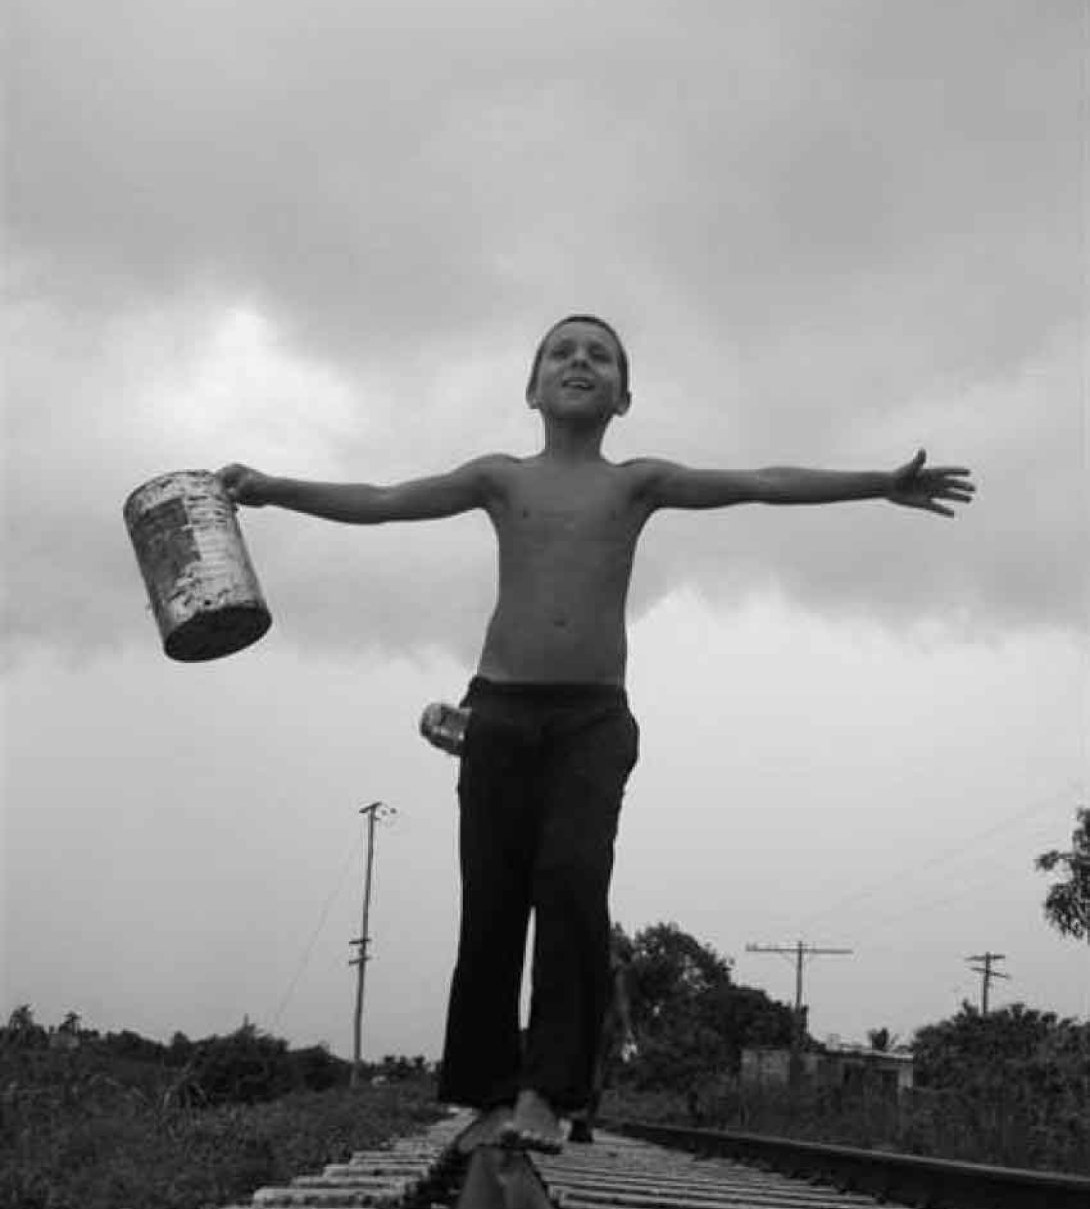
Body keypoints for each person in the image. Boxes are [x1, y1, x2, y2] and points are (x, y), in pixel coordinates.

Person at [217, 312, 975, 1154]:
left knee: (572, 888)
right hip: (499, 711)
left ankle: (551, 1090)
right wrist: (274, 487)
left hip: (592, 720)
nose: (580, 361)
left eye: (600, 355)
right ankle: (488, 1094)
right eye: (562, 352)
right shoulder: (499, 478)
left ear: (623, 395)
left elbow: (760, 479)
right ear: (532, 387)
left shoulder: (636, 483)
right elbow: (386, 501)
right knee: (494, 903)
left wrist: (878, 482)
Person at [568, 928, 636, 1144]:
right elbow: (621, 1000)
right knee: (596, 1071)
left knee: (578, 1069)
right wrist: (627, 1030)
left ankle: (575, 1117)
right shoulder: (616, 966)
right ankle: (586, 1123)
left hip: (579, 1020)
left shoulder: (586, 957)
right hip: (603, 1024)